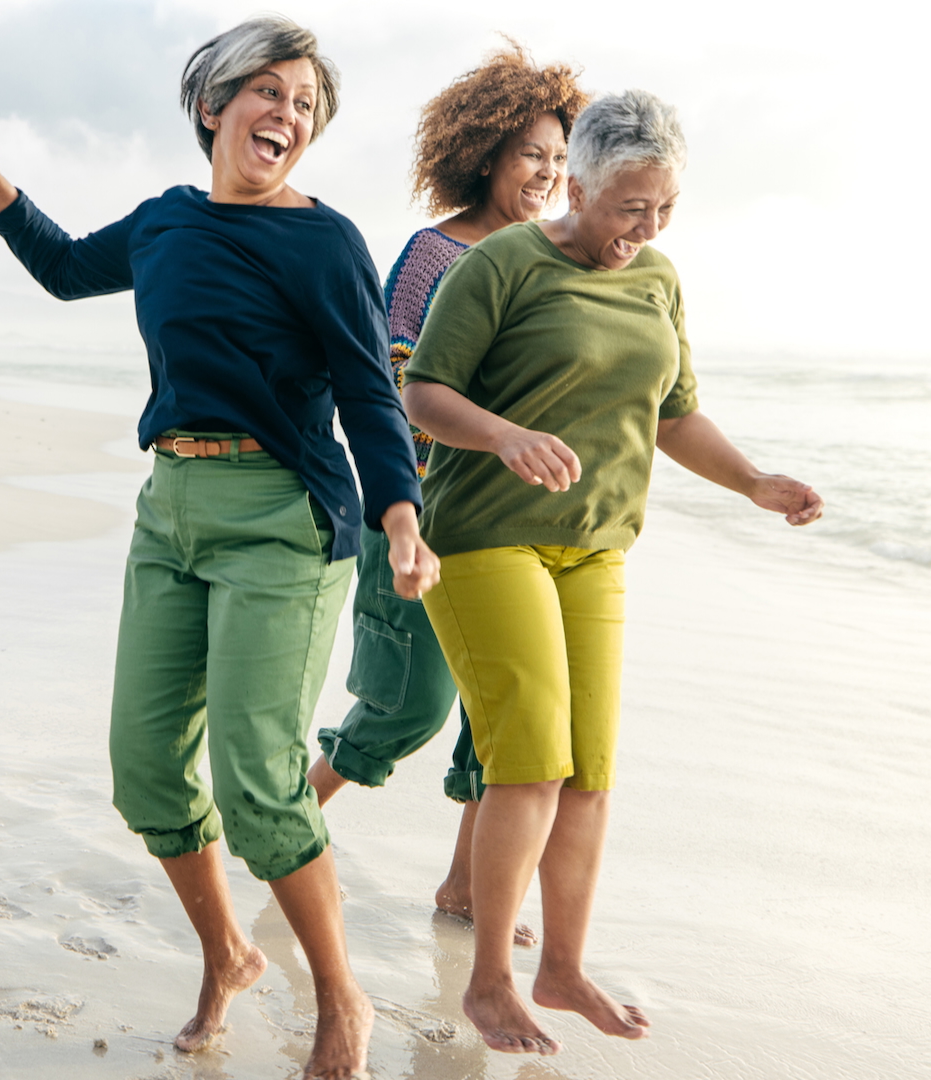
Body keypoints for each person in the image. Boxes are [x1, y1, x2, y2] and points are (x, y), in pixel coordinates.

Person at [0, 16, 437, 1080]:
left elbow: (369, 391)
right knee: (145, 773)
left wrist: (400, 517)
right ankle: (229, 955)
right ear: (214, 105)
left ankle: (341, 1000)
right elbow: (66, 269)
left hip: (283, 521)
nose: (288, 113)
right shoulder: (166, 221)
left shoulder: (325, 243)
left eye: (305, 104)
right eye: (269, 91)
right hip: (168, 511)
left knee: (259, 783)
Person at [400, 89, 824, 1055]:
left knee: (589, 772)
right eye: (632, 206)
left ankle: (561, 968)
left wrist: (753, 481)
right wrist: (504, 437)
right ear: (578, 187)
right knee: (530, 761)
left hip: (597, 546)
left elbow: (674, 414)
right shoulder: (504, 263)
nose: (650, 226)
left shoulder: (659, 280)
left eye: (665, 207)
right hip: (487, 537)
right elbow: (423, 392)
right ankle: (489, 982)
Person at [304, 43, 588, 946]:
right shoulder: (433, 255)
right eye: (530, 153)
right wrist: (419, 501)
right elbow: (392, 384)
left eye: (558, 157)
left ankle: (465, 887)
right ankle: (288, 824)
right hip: (420, 517)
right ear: (485, 152)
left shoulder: (557, 257)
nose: (545, 173)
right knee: (407, 705)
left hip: (516, 527)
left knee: (497, 720)